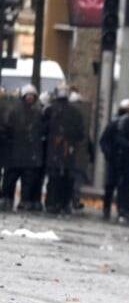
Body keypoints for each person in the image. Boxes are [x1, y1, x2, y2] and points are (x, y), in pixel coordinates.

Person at [1, 84, 44, 212]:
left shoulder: (37, 112)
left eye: (32, 95)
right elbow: (9, 128)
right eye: (28, 95)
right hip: (15, 151)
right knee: (10, 178)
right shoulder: (15, 111)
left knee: (28, 180)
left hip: (29, 153)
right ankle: (6, 199)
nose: (30, 98)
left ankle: (25, 201)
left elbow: (39, 130)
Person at [43, 83, 84, 214]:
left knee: (62, 178)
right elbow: (44, 128)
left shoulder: (72, 112)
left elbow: (79, 133)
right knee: (57, 178)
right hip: (56, 148)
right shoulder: (51, 110)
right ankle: (57, 203)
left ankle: (59, 203)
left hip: (65, 148)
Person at [99, 98, 129, 220]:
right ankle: (107, 208)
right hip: (114, 160)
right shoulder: (114, 124)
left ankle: (122, 210)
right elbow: (104, 141)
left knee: (123, 187)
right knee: (110, 185)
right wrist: (109, 154)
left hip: (125, 161)